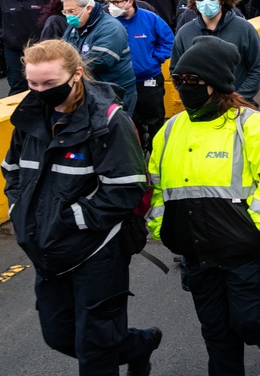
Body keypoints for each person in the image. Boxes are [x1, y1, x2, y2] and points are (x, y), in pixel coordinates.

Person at [3, 39, 162, 375]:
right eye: (32, 83)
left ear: (76, 75)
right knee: (59, 335)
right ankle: (138, 345)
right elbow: (13, 170)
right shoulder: (30, 116)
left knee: (96, 346)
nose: (39, 91)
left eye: (49, 84)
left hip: (97, 251)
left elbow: (126, 189)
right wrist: (21, 209)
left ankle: (118, 348)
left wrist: (69, 220)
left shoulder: (109, 122)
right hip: (48, 250)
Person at [148, 36, 260, 376]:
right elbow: (155, 189)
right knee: (216, 332)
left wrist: (252, 229)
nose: (184, 88)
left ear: (215, 85)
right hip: (197, 256)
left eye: (193, 81)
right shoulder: (169, 131)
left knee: (252, 321)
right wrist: (164, 229)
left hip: (243, 253)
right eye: (179, 80)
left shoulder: (251, 125)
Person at [172, 0, 260, 103]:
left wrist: (237, 98)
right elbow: (176, 70)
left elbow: (257, 69)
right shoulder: (185, 33)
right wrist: (192, 96)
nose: (206, 1)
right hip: (199, 107)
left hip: (239, 106)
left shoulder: (244, 29)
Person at [107, 0, 173, 152]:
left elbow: (168, 40)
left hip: (148, 80)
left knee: (154, 121)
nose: (111, 6)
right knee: (128, 121)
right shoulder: (108, 22)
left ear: (130, 1)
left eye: (116, 2)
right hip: (120, 83)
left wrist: (154, 59)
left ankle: (157, 153)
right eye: (109, 2)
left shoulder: (150, 19)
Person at [61, 0, 136, 114]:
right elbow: (63, 50)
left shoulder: (111, 27)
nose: (68, 16)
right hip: (90, 89)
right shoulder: (74, 27)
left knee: (114, 130)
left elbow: (100, 60)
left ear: (88, 8)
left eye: (71, 11)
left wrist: (65, 68)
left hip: (114, 91)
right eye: (65, 12)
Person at [1, 0, 48, 94]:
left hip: (38, 47)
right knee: (17, 84)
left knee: (41, 83)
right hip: (13, 48)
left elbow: (53, 14)